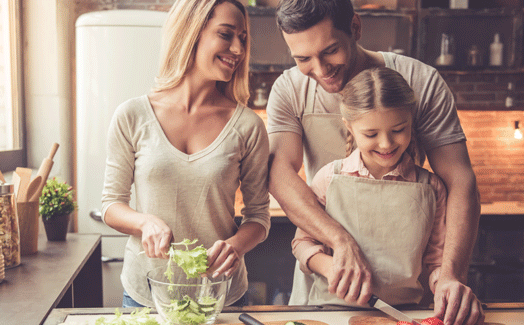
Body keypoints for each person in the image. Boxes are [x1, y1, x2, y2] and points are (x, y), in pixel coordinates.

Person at [267, 1, 482, 324]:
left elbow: (460, 181)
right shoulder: (289, 89)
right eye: (303, 59)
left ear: (355, 27)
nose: (321, 69)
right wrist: (339, 242)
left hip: (407, 302)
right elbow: (279, 174)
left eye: (330, 51)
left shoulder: (420, 81)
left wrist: (449, 275)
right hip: (327, 292)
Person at [101, 0, 270, 308]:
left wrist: (235, 246)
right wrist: (144, 223)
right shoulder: (133, 115)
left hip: (219, 296)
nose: (237, 49)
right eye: (226, 34)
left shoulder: (248, 125)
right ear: (192, 32)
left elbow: (258, 217)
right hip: (147, 294)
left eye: (242, 38)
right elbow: (111, 205)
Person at [292, 66, 447, 309]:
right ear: (350, 127)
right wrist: (329, 267)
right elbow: (302, 243)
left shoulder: (432, 188)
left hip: (404, 314)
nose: (386, 144)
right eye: (371, 134)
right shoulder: (328, 178)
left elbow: (437, 262)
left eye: (398, 130)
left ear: (411, 121)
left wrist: (446, 286)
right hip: (333, 314)